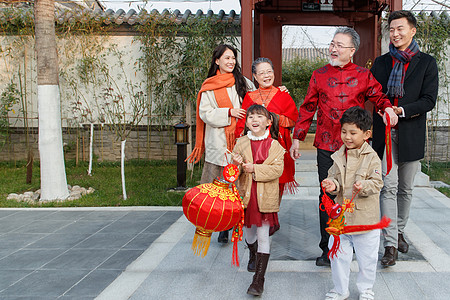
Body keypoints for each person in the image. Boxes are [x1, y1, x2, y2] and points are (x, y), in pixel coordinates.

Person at [289, 27, 398, 267]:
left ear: (352, 50)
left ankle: (353, 241)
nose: (333, 49)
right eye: (332, 44)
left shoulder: (363, 75)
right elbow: (308, 107)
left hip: (356, 148)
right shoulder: (318, 75)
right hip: (327, 144)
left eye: (339, 45)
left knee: (355, 193)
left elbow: (378, 97)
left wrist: (387, 108)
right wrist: (297, 137)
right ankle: (328, 248)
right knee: (327, 193)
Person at [370, 10, 438, 267]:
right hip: (384, 133)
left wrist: (402, 111)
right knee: (388, 186)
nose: (395, 33)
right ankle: (389, 244)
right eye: (392, 29)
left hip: (411, 132)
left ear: (413, 31)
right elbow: (374, 92)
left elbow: (428, 100)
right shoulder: (381, 62)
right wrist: (385, 108)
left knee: (406, 188)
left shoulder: (427, 63)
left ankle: (398, 230)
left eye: (400, 29)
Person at [186, 44, 255, 244]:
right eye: (227, 58)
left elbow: (258, 98)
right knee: (219, 186)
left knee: (239, 185)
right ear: (217, 61)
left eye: (233, 58)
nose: (231, 61)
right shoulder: (209, 86)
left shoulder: (244, 82)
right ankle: (221, 225)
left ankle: (237, 222)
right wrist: (228, 112)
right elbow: (204, 113)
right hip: (219, 142)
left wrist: (278, 89)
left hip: (241, 141)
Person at [322, 106, 383, 300]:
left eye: (353, 133)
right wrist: (332, 184)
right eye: (344, 132)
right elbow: (334, 177)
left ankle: (366, 289)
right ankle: (340, 289)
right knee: (338, 255)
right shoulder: (339, 155)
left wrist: (363, 184)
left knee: (367, 258)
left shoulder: (372, 157)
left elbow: (377, 183)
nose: (347, 137)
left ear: (367, 134)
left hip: (365, 218)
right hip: (341, 219)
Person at [232, 104, 285, 297]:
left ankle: (258, 280)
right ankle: (252, 252)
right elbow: (233, 173)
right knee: (249, 233)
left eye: (260, 117)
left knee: (263, 236)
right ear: (246, 122)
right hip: (246, 196)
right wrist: (235, 165)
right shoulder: (240, 143)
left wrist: (254, 169)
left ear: (269, 122)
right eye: (251, 117)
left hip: (265, 197)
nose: (255, 120)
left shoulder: (276, 146)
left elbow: (276, 170)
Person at [236, 57, 298, 215]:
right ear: (255, 77)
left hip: (277, 146)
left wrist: (273, 118)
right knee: (254, 181)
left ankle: (272, 215)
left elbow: (293, 119)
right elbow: (242, 123)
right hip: (254, 147)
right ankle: (256, 215)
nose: (266, 75)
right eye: (262, 73)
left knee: (276, 180)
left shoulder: (283, 94)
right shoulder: (249, 97)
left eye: (269, 71)